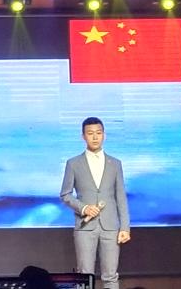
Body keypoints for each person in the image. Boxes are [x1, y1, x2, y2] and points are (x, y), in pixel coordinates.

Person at [60, 117, 130, 289]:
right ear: (83, 136)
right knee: (84, 276)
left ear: (104, 135)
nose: (95, 137)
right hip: (85, 227)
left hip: (110, 226)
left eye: (98, 133)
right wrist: (83, 208)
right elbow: (65, 195)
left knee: (111, 276)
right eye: (90, 133)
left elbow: (121, 196)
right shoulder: (73, 163)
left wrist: (125, 227)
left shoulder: (115, 163)